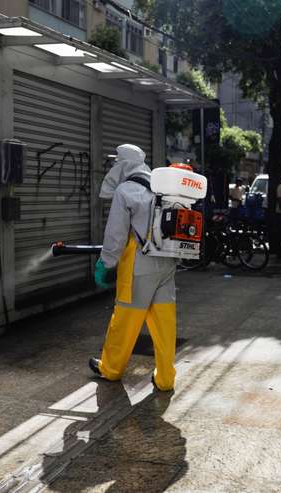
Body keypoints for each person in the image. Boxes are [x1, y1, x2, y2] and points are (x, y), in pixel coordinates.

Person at [89, 144, 177, 392]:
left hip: (139, 266)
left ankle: (111, 369)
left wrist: (106, 263)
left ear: (123, 164)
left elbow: (116, 235)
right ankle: (165, 378)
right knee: (164, 324)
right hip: (167, 263)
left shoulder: (127, 190)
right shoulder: (163, 187)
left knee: (124, 319)